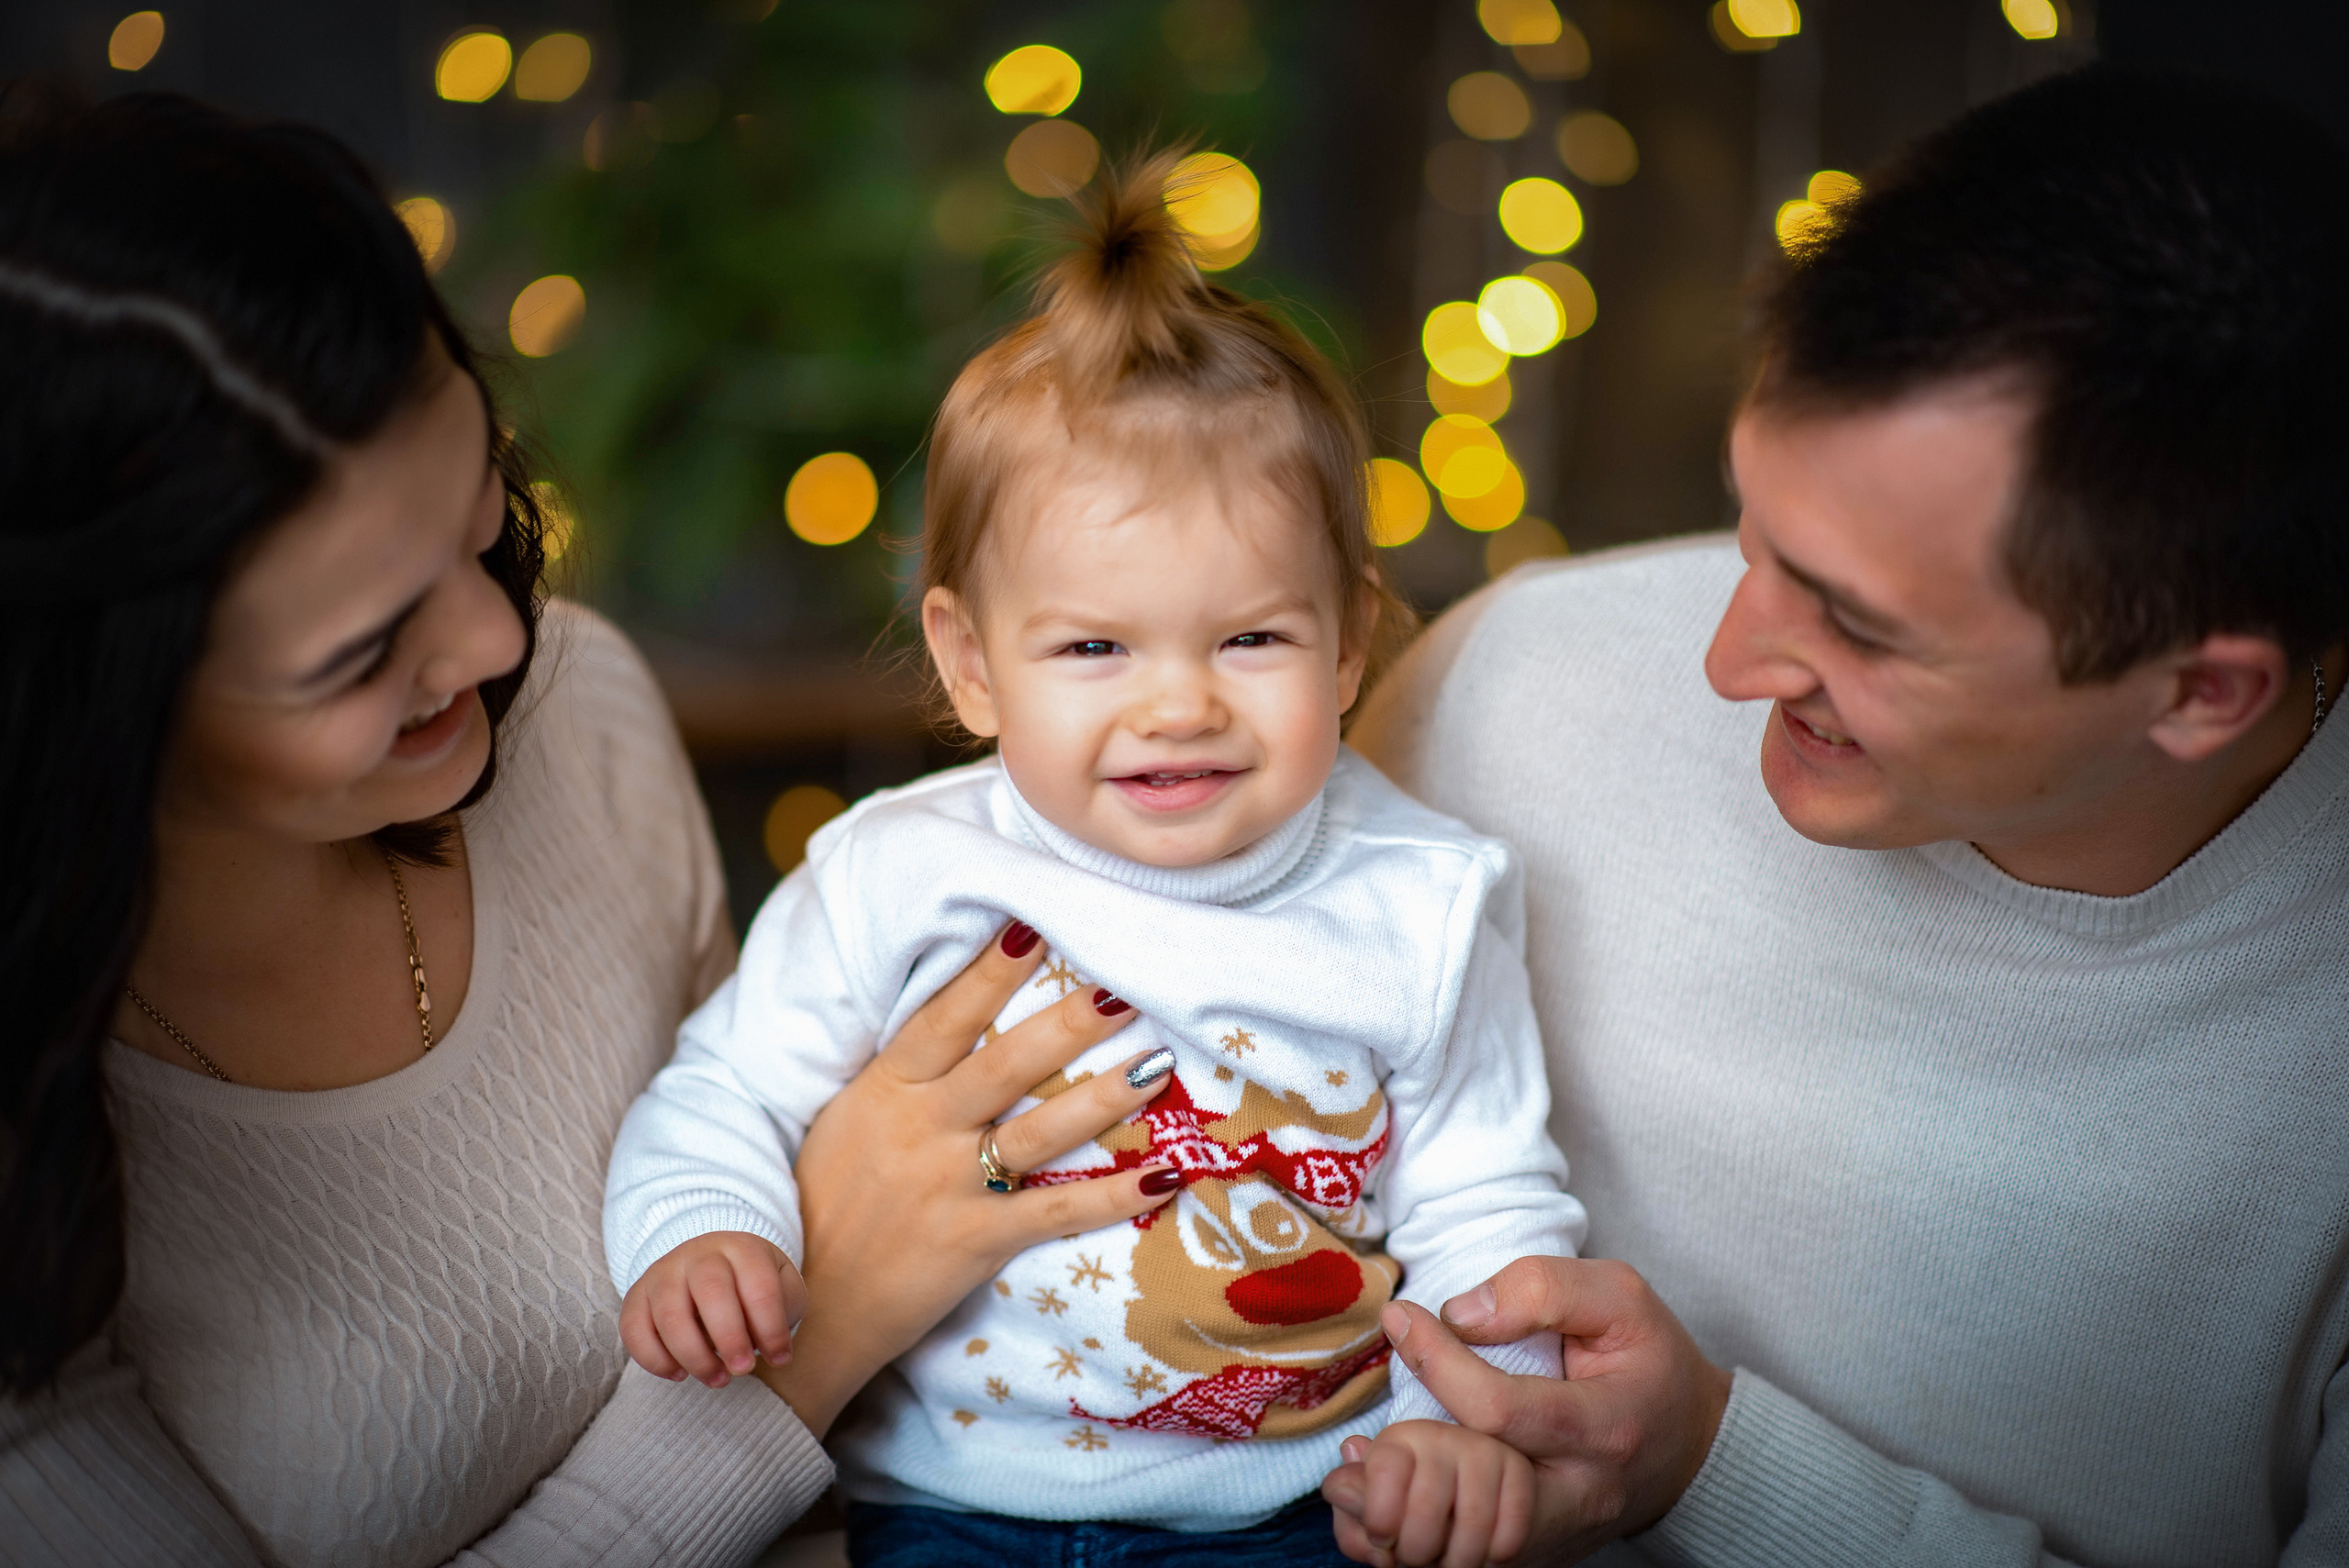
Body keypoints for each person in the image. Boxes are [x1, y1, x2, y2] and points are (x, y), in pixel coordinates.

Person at [0, 86, 1173, 1567]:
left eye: (479, 512)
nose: (496, 637)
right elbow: (836, 1294)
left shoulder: (579, 710)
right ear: (84, 707)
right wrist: (817, 1334)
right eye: (361, 654)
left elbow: (773, 1127)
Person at [1324, 66, 2349, 1566]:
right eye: (1751, 528)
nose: (1724, 661)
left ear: (2200, 695)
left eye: (1861, 626)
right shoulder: (1505, 686)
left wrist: (1711, 1467)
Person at [602, 150, 1586, 1566]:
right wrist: (704, 1238)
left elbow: (1488, 1200)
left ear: (1354, 638)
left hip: (1296, 1504)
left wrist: (1468, 1427)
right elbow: (726, 1091)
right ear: (972, 661)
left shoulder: (1419, 904)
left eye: (1251, 636)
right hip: (952, 1502)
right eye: (1093, 648)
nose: (1178, 703)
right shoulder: (901, 871)